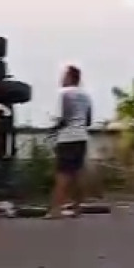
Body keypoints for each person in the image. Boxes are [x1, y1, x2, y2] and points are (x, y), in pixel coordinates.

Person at [46, 65, 92, 219]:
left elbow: (62, 117)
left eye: (64, 75)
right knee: (77, 174)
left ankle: (55, 210)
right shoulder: (86, 96)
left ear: (70, 77)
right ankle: (77, 209)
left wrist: (53, 130)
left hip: (67, 138)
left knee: (62, 174)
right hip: (81, 136)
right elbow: (88, 120)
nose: (61, 79)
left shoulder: (64, 94)